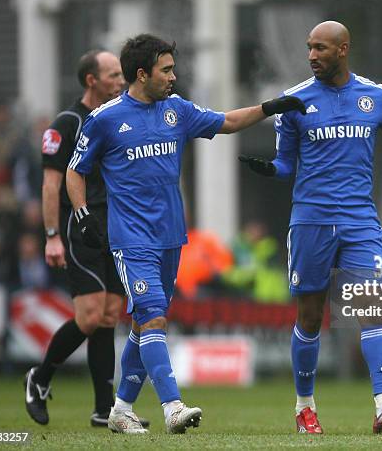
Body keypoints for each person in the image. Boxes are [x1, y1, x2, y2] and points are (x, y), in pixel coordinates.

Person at [65, 34, 306, 434]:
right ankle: (172, 406)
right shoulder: (106, 119)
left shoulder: (176, 110)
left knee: (145, 324)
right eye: (166, 70)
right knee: (155, 317)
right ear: (142, 74)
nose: (174, 76)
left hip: (171, 238)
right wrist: (82, 214)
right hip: (131, 239)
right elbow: (76, 169)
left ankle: (121, 408)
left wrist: (269, 108)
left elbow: (226, 121)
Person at [239, 21, 382, 434]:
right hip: (311, 222)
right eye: (308, 48)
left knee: (370, 308)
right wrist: (268, 169)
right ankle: (305, 408)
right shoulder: (296, 101)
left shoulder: (374, 97)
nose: (311, 55)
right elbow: (286, 164)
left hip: (360, 222)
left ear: (343, 50)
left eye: (320, 48)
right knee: (310, 316)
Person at [24, 50, 149, 429]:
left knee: (110, 316)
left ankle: (102, 409)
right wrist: (51, 237)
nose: (121, 80)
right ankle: (40, 377)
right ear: (91, 80)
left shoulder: (114, 117)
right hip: (78, 229)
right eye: (113, 74)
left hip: (115, 228)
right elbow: (50, 185)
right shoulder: (66, 123)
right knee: (91, 315)